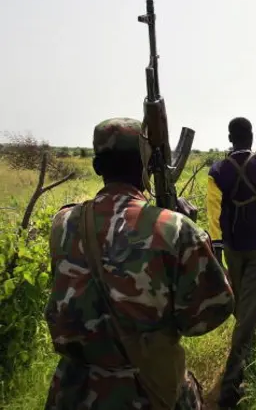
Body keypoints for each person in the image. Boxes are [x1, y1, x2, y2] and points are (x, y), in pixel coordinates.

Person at [44, 118, 235, 410]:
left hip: (73, 392)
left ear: (97, 168)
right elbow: (208, 316)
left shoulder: (63, 222)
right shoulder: (175, 229)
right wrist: (195, 239)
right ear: (147, 167)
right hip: (150, 392)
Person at [206, 117, 256, 408]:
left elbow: (213, 212)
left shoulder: (217, 169)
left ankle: (248, 355)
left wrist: (219, 244)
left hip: (232, 249)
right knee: (248, 312)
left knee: (244, 307)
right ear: (251, 137)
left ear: (230, 137)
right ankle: (231, 385)